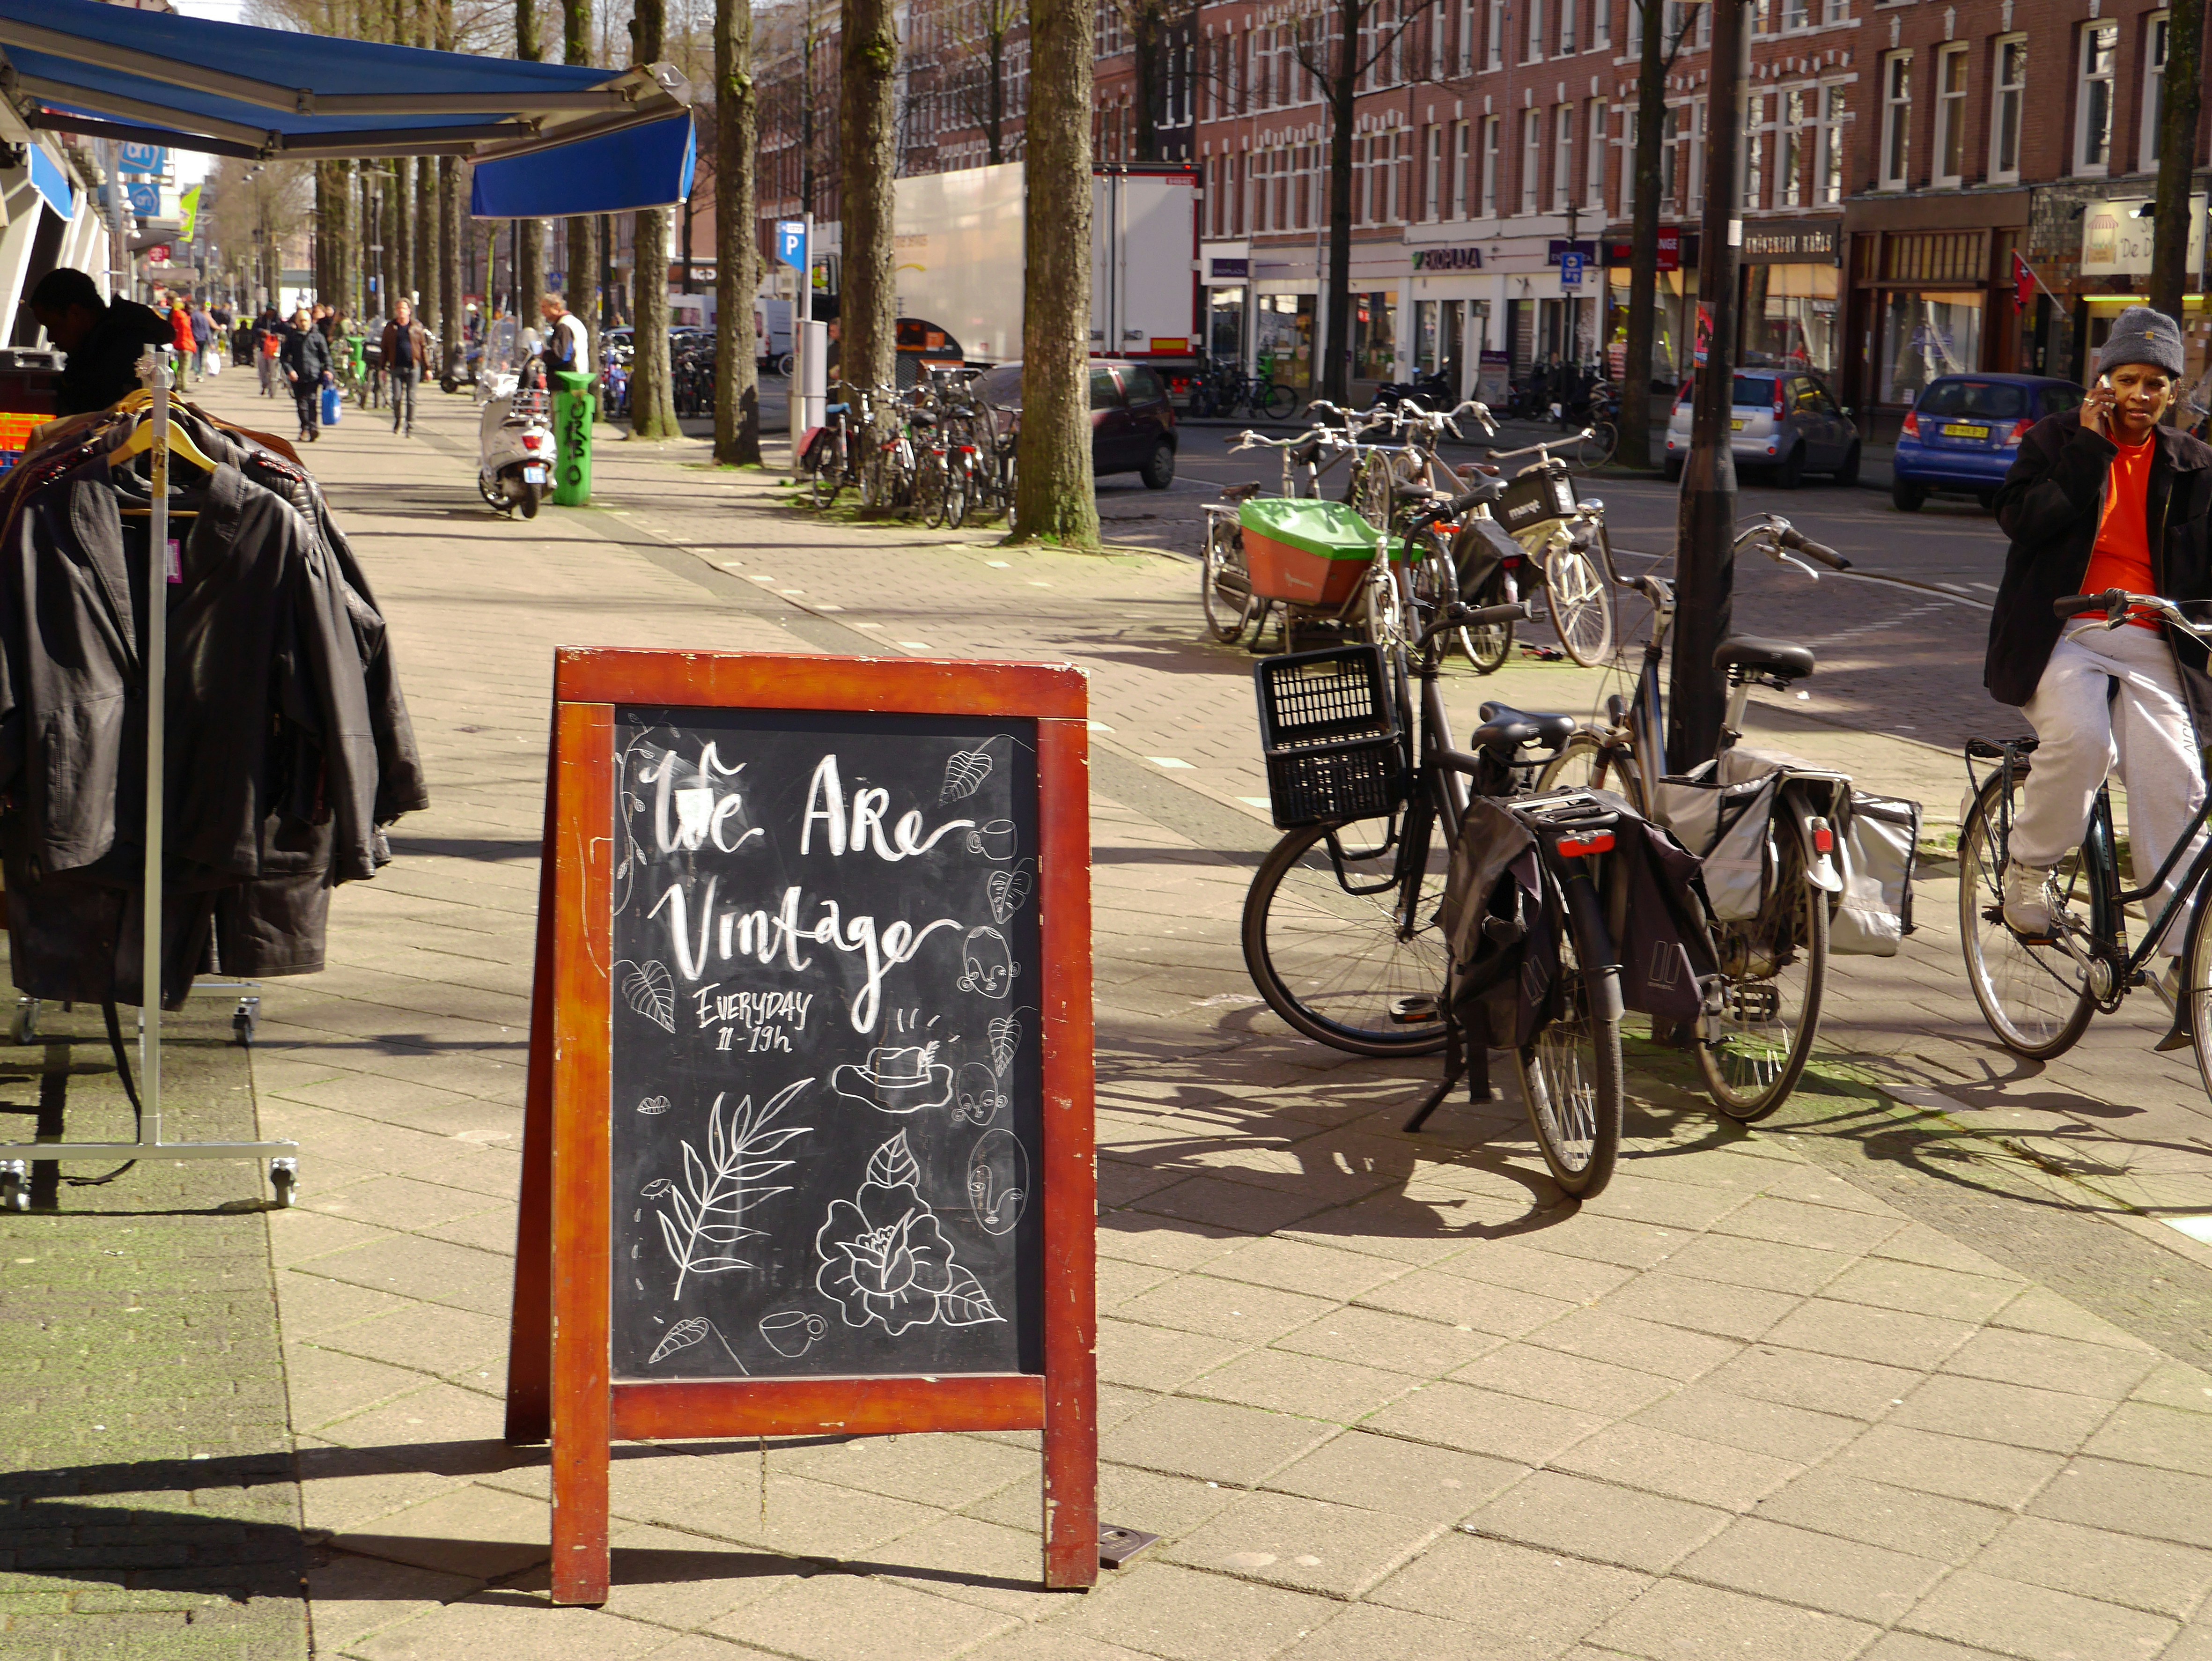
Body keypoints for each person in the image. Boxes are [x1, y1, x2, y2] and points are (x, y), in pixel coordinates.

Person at [1991, 305, 2212, 1025]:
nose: (2140, 394)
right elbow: (2022, 522)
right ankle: (2028, 868)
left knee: (2176, 782)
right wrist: (2089, 450)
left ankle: (2183, 957)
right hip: (2063, 629)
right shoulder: (2056, 439)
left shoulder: (2194, 464)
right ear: (2104, 381)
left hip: (2155, 639)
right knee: (2084, 739)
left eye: (2155, 382)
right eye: (2128, 379)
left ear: (2173, 391)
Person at [28, 267, 179, 415]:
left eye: (53, 326)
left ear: (76, 314)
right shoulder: (97, 353)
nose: (50, 338)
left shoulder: (127, 356)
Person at [280, 305, 332, 443]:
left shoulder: (318, 337)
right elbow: (284, 357)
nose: (304, 323)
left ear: (310, 321)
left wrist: (328, 370)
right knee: (302, 404)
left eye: (306, 321)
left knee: (312, 402)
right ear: (297, 322)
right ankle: (305, 428)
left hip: (314, 375)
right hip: (297, 376)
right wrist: (290, 371)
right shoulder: (292, 337)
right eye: (301, 321)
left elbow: (326, 356)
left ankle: (313, 428)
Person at [381, 298, 430, 437]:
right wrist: (382, 368)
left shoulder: (416, 327)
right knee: (396, 398)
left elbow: (423, 348)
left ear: (409, 311)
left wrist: (428, 369)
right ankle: (398, 421)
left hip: (413, 367)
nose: (401, 311)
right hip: (396, 367)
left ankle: (410, 426)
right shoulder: (391, 327)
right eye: (399, 309)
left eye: (403, 308)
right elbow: (384, 348)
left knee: (411, 398)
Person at [539, 291, 590, 377]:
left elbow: (561, 356)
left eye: (544, 307)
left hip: (567, 378)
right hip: (578, 375)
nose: (542, 311)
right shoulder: (573, 322)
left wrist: (544, 355)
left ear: (557, 306)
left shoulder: (564, 325)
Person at [169, 296, 196, 389]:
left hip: (181, 344)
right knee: (185, 367)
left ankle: (179, 385)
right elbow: (186, 334)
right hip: (186, 345)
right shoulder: (183, 319)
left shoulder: (177, 317)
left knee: (181, 367)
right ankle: (183, 386)